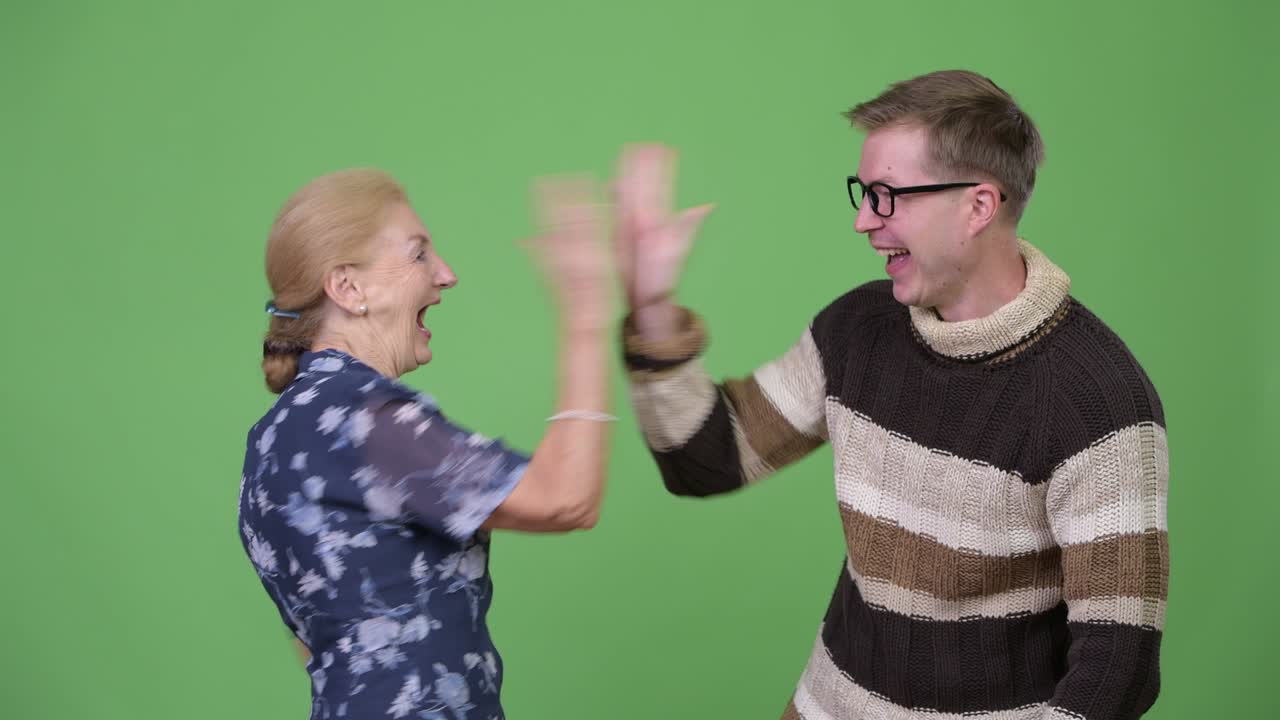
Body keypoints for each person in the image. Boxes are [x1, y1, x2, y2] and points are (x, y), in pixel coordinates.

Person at [613, 70, 1168, 719]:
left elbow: (1118, 667)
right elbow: (708, 459)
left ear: (978, 206)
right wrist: (650, 310)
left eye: (887, 196)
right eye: (864, 192)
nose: (862, 220)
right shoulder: (857, 330)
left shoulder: (1097, 402)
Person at [238, 168, 613, 720]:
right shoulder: (368, 420)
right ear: (348, 287)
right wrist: (587, 313)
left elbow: (315, 638)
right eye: (419, 255)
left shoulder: (270, 439)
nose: (446, 274)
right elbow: (565, 497)